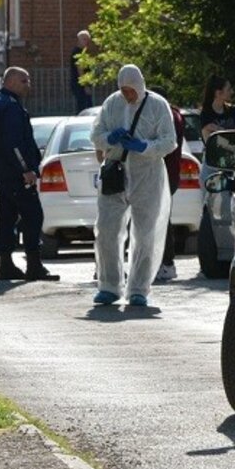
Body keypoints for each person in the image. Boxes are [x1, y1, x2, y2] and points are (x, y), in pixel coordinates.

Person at [90, 65, 177, 307]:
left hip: (147, 175)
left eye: (130, 90)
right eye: (123, 90)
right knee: (107, 230)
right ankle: (109, 285)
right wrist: (110, 138)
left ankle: (138, 288)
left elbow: (169, 141)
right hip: (115, 173)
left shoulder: (158, 105)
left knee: (145, 233)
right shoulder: (112, 103)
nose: (127, 95)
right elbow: (95, 134)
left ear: (139, 86)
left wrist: (144, 147)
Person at [0, 67, 59, 282]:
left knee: (6, 218)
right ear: (11, 82)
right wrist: (26, 169)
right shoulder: (11, 108)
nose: (28, 85)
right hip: (17, 176)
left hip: (3, 174)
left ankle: (6, 266)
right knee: (33, 216)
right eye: (24, 81)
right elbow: (14, 143)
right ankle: (34, 267)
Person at [150, 87, 186, 282]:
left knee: (160, 220)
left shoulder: (168, 116)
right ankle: (164, 263)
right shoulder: (175, 114)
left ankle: (166, 263)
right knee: (161, 219)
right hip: (169, 174)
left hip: (164, 174)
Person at [70, 30, 93, 114]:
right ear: (79, 40)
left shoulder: (84, 52)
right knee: (84, 107)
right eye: (84, 39)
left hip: (82, 84)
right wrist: (85, 85)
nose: (86, 42)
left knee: (86, 105)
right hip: (80, 85)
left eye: (87, 39)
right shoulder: (77, 52)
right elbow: (80, 69)